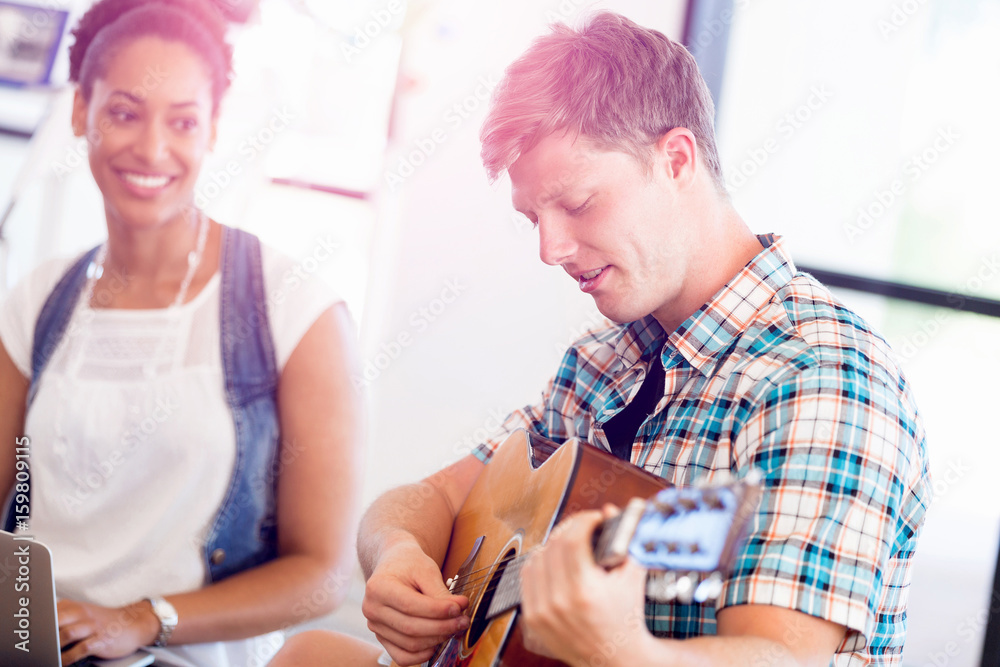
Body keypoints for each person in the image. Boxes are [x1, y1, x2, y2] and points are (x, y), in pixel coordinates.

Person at [270, 11, 931, 667]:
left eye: (579, 204)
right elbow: (428, 498)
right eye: (533, 218)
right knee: (308, 654)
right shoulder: (601, 359)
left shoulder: (821, 376)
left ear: (676, 160)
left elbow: (779, 656)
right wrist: (397, 553)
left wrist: (621, 650)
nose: (550, 249)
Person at [0, 1, 363, 665]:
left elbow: (322, 573)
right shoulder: (36, 303)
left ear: (213, 129)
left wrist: (141, 620)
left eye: (183, 121)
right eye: (124, 113)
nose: (151, 148)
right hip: (34, 650)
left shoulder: (294, 309)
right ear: (81, 112)